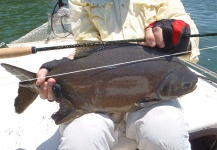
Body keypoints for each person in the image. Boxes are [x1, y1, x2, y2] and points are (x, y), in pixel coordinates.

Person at [36, 0, 199, 149]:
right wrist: (57, 68)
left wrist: (178, 37)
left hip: (152, 94)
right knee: (81, 138)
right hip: (98, 95)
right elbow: (86, 49)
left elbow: (187, 33)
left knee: (165, 136)